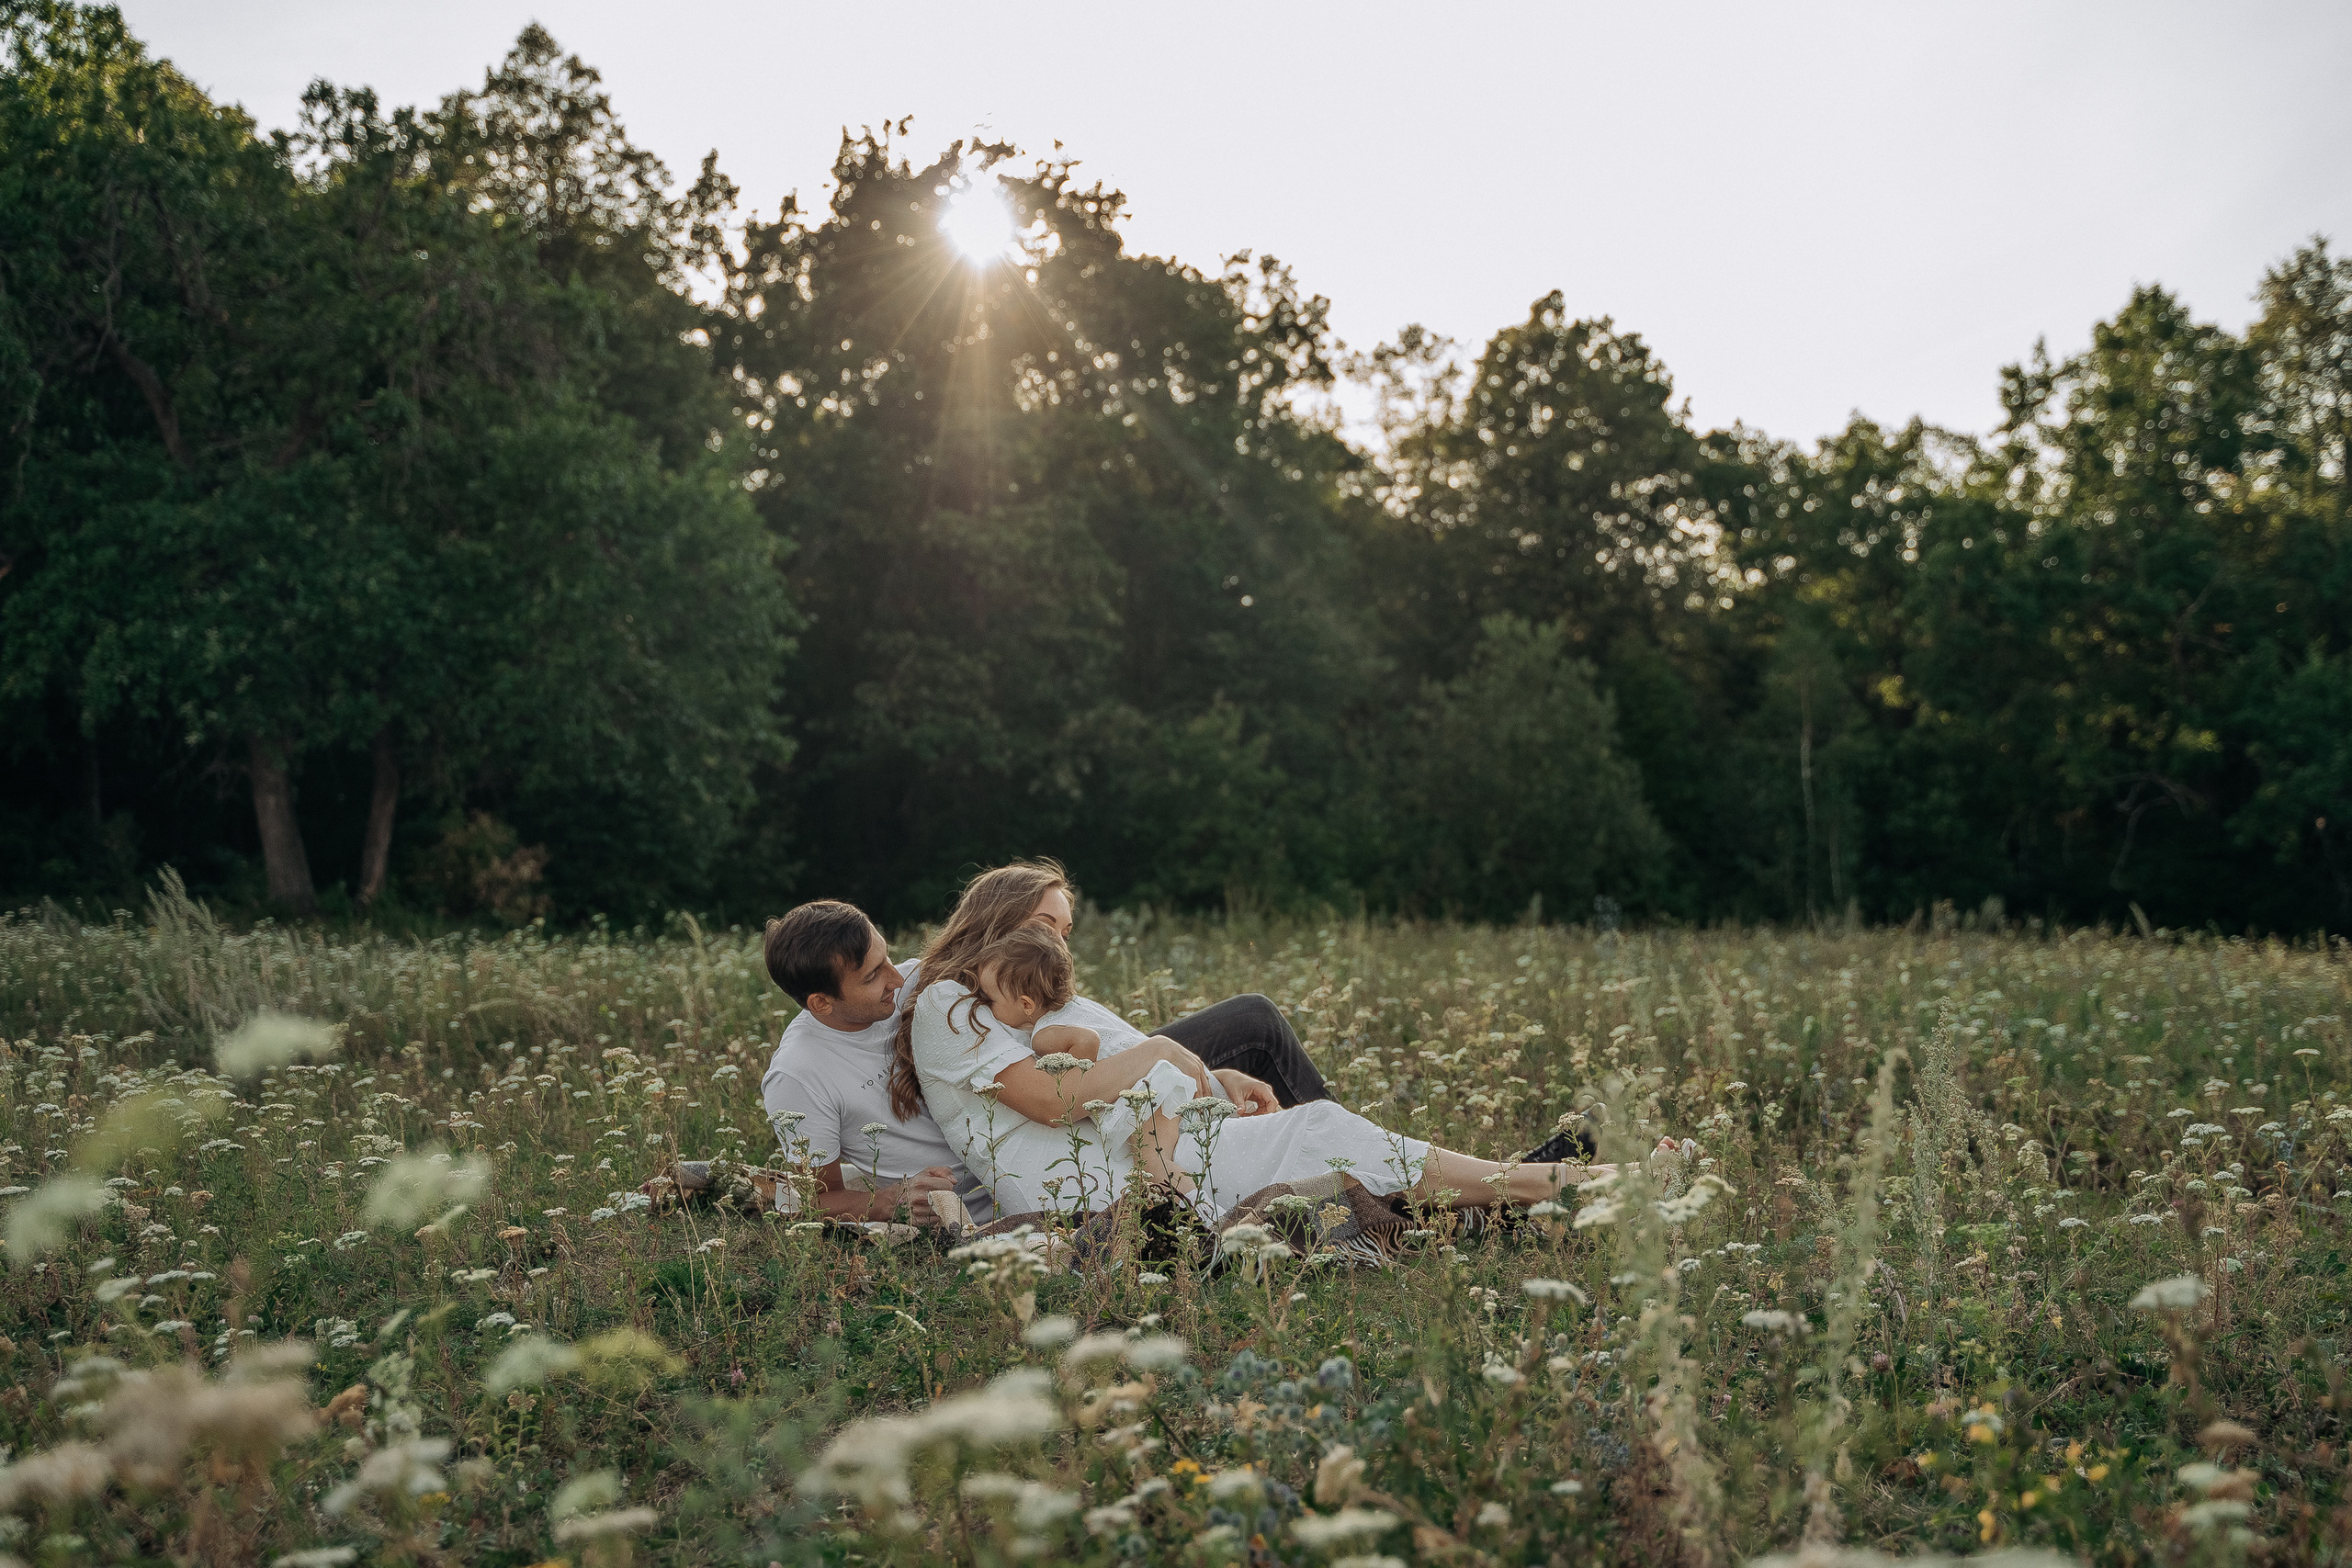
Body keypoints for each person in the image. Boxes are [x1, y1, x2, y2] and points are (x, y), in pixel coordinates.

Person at [895, 862, 1613, 1223]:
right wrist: (1166, 1057)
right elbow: (1050, 1101)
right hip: (1096, 1178)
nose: (1057, 940)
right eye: (1044, 922)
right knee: (1323, 1131)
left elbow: (1111, 1067)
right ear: (997, 917)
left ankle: (1518, 1192)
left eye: (1065, 929)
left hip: (1138, 1145)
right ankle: (1546, 1186)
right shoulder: (951, 1000)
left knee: (1320, 1131)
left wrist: (1212, 1078)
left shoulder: (1031, 997)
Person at [757, 880, 1329, 1226]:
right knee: (1245, 1028)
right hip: (1014, 1161)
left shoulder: (918, 986)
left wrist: (1206, 1073)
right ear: (821, 1003)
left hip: (1057, 1092)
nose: (895, 977)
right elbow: (811, 1200)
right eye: (872, 975)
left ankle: (1326, 1148)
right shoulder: (800, 1074)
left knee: (1250, 1024)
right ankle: (1330, 1166)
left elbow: (1050, 1034)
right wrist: (886, 1199)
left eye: (887, 958)